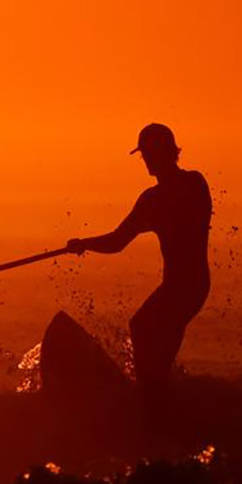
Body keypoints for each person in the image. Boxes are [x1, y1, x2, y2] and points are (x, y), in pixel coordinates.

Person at [65, 123, 212, 410]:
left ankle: (150, 396)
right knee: (151, 331)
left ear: (166, 153)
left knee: (143, 325)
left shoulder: (161, 197)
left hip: (184, 286)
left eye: (148, 154)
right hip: (194, 285)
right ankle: (156, 391)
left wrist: (84, 243)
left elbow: (117, 241)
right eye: (144, 155)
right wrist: (85, 243)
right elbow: (117, 241)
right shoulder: (192, 184)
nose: (145, 160)